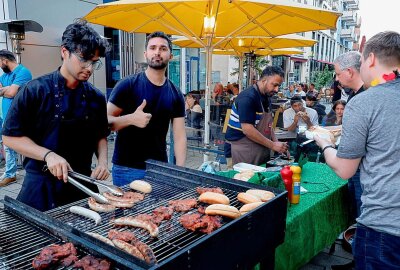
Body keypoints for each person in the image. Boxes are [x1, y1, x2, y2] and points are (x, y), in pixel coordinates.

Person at [2, 21, 110, 211]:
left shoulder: (96, 97)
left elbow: (100, 134)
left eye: (95, 62)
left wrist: (102, 162)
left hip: (82, 185)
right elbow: (10, 137)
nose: (89, 68)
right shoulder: (35, 90)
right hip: (40, 186)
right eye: (84, 59)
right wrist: (48, 155)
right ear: (64, 52)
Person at [314, 31, 400, 269]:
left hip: (385, 226)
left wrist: (325, 144)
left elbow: (344, 169)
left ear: (370, 59)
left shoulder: (364, 102)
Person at [107, 31, 187, 186]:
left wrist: (180, 170)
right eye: (153, 48)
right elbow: (104, 122)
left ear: (171, 56)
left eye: (163, 48)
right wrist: (130, 119)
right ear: (145, 54)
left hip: (159, 169)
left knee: (158, 211)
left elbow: (179, 136)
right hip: (126, 168)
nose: (157, 52)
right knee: (127, 210)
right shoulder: (127, 85)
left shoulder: (176, 93)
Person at [225, 66, 288, 166]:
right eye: (275, 85)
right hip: (241, 149)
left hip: (259, 149)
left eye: (278, 86)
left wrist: (278, 144)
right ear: (264, 80)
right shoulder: (248, 97)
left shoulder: (266, 96)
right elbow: (248, 130)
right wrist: (272, 145)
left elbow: (269, 125)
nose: (277, 89)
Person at [0, 50, 32, 186]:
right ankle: (10, 173)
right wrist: (7, 90)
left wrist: (7, 90)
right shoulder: (5, 75)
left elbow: (12, 93)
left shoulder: (23, 72)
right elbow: (7, 91)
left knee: (25, 145)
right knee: (7, 146)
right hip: (6, 116)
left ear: (4, 60)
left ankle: (30, 173)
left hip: (20, 116)